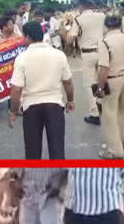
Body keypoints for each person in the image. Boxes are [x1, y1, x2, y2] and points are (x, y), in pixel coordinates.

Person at [9, 21, 75, 159]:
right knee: (57, 151)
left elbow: (16, 90)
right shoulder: (58, 55)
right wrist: (70, 101)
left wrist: (13, 111)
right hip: (55, 106)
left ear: (27, 37)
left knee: (33, 152)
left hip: (31, 108)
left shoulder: (22, 58)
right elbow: (68, 82)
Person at [94, 13, 124, 159]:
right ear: (120, 25)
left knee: (109, 114)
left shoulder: (104, 42)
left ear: (106, 25)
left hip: (112, 80)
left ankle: (115, 150)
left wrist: (100, 88)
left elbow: (104, 68)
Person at [68, 0, 106, 125]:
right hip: (102, 51)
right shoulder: (101, 16)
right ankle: (101, 103)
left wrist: (68, 45)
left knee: (90, 84)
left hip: (88, 54)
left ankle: (94, 114)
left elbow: (71, 38)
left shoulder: (79, 19)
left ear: (81, 6)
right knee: (102, 79)